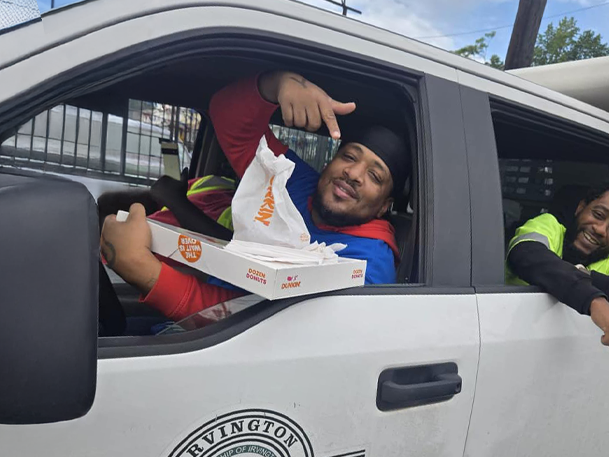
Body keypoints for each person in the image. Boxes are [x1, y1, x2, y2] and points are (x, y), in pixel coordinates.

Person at [100, 70, 410, 322]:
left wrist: (144, 271)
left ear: (384, 206)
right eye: (349, 157)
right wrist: (277, 84)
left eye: (374, 175)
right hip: (189, 317)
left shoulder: (367, 264)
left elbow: (265, 327)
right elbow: (231, 119)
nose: (354, 173)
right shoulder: (295, 179)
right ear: (330, 162)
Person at [505, 178, 609, 364]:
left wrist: (587, 278)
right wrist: (594, 300)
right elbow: (526, 254)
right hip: (506, 339)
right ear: (580, 207)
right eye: (599, 214)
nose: (601, 229)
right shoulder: (548, 225)